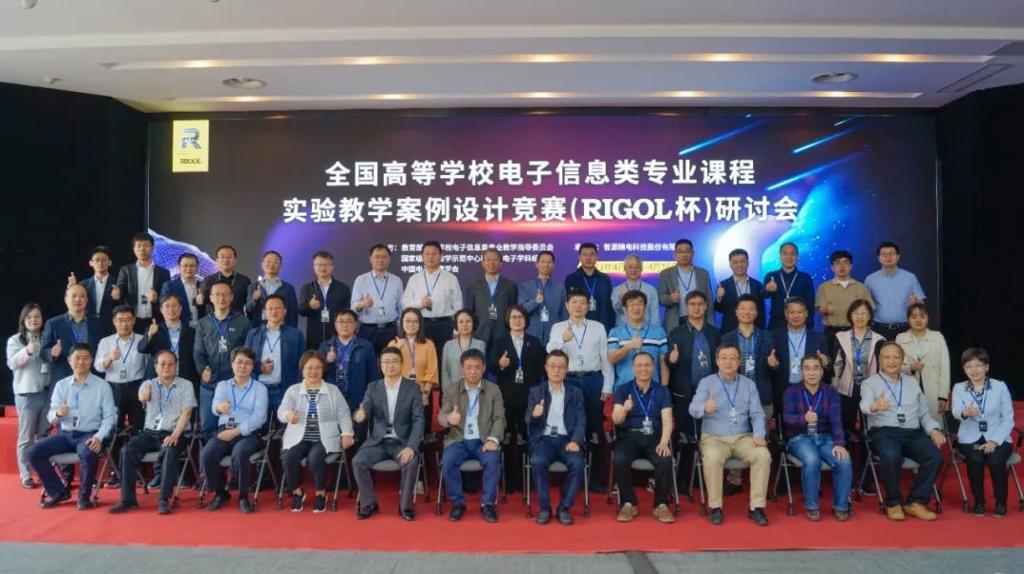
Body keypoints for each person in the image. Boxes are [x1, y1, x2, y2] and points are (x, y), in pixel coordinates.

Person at [859, 342, 944, 521]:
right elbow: (864, 405)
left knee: (935, 457)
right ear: (880, 361)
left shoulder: (912, 382)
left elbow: (924, 414)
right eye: (886, 357)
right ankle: (893, 502)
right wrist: (875, 406)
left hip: (912, 432)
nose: (891, 361)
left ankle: (916, 502)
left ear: (902, 360)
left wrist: (934, 430)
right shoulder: (870, 383)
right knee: (891, 456)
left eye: (896, 357)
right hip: (884, 432)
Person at [689, 344, 772, 526]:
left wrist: (759, 434)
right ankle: (716, 507)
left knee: (763, 455)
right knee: (712, 457)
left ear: (738, 361)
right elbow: (693, 409)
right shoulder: (707, 383)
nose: (728, 362)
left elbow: (757, 414)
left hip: (743, 437)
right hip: (714, 438)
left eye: (733, 358)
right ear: (717, 361)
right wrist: (704, 407)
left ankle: (756, 507)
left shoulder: (749, 385)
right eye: (724, 358)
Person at [29, 343, 116, 510]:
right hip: (65, 434)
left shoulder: (102, 386)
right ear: (69, 360)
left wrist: (99, 437)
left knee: (88, 451)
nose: (81, 362)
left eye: (85, 358)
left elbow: (110, 417)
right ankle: (58, 492)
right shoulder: (61, 385)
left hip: (90, 434)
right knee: (33, 452)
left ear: (91, 360)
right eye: (77, 358)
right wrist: (58, 414)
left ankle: (84, 497)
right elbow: (51, 416)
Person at [108, 350, 195, 515]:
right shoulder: (148, 384)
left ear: (176, 366)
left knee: (169, 451)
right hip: (150, 433)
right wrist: (143, 395)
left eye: (171, 364)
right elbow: (141, 396)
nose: (167, 367)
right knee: (127, 451)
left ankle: (164, 499)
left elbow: (187, 412)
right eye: (163, 364)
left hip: (175, 432)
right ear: (155, 367)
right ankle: (127, 500)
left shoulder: (186, 385)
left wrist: (175, 435)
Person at [546, 290, 614, 493]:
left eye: (582, 302)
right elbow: (550, 352)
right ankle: (570, 477)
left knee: (595, 429)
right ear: (567, 305)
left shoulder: (598, 327)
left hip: (593, 380)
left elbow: (605, 358)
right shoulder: (558, 327)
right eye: (574, 302)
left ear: (588, 305)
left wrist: (607, 385)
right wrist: (563, 340)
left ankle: (596, 479)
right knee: (569, 427)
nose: (578, 306)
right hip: (568, 380)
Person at [351, 346, 424, 521]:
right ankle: (369, 504)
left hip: (402, 442)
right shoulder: (373, 387)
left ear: (402, 363)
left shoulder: (412, 388)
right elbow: (364, 409)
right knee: (358, 461)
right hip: (378, 442)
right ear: (380, 365)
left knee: (411, 462)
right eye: (386, 362)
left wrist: (411, 446)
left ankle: (405, 506)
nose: (390, 366)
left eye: (394, 361)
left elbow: (419, 420)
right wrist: (359, 415)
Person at [278, 351, 354, 513]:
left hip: (323, 437)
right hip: (298, 437)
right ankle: (297, 491)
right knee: (288, 457)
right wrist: (288, 415)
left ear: (323, 369)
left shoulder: (333, 390)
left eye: (317, 368)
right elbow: (282, 410)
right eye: (309, 368)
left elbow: (344, 413)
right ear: (302, 370)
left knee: (315, 458)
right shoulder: (293, 390)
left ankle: (321, 493)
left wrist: (347, 432)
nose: (313, 372)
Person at [136, 293, 198, 490]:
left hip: (183, 383)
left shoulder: (190, 331)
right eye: (167, 306)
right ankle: (159, 474)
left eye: (174, 306)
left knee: (180, 428)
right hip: (159, 383)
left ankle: (182, 474)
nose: (171, 310)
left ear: (181, 309)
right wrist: (150, 335)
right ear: (161, 310)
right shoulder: (155, 329)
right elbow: (142, 348)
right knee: (159, 428)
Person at [438, 349, 506, 522]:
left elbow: (499, 418)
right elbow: (442, 414)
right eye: (468, 367)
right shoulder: (452, 389)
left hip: (483, 440)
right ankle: (458, 503)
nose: (473, 371)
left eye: (477, 367)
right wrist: (449, 418)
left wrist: (493, 439)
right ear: (461, 369)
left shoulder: (493, 390)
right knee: (448, 461)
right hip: (458, 439)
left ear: (483, 368)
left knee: (493, 461)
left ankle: (488, 504)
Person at [781, 355, 852, 521]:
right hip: (800, 438)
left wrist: (839, 443)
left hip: (825, 437)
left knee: (844, 460)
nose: (811, 372)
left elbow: (836, 420)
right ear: (801, 371)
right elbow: (787, 418)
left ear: (822, 371)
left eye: (815, 368)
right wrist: (803, 418)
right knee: (812, 460)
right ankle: (812, 506)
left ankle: (841, 506)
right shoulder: (791, 392)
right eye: (807, 368)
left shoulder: (830, 392)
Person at [200, 346, 268, 514]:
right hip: (224, 431)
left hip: (248, 434)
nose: (242, 366)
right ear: (232, 364)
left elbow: (259, 417)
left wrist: (236, 431)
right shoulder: (223, 386)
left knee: (240, 452)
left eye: (247, 363)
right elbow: (215, 407)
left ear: (252, 366)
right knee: (207, 454)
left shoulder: (260, 388)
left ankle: (243, 496)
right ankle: (220, 493)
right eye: (239, 362)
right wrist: (219, 408)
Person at [610, 352, 676, 523]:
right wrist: (625, 409)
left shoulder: (662, 391)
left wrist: (664, 442)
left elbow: (667, 419)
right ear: (633, 368)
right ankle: (628, 503)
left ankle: (661, 504)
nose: (643, 369)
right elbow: (616, 419)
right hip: (629, 436)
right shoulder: (623, 390)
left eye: (647, 365)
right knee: (619, 458)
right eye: (639, 365)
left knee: (665, 458)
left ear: (653, 368)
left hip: (654, 437)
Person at [951, 348, 1015, 517]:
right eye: (969, 366)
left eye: (978, 365)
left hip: (998, 437)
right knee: (975, 459)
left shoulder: (1000, 386)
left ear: (986, 367)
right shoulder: (959, 388)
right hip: (969, 437)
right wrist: (965, 413)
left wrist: (995, 441)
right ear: (964, 369)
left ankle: (1001, 502)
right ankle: (979, 501)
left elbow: (1008, 418)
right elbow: (956, 412)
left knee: (995, 461)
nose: (974, 370)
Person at [524, 350, 586, 525]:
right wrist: (535, 415)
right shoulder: (536, 392)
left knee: (578, 463)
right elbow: (527, 419)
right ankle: (544, 508)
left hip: (568, 439)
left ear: (567, 369)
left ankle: (564, 507)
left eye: (561, 367)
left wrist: (576, 440)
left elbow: (581, 419)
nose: (556, 370)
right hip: (544, 440)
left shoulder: (576, 392)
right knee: (538, 462)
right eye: (552, 366)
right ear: (546, 368)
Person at [487, 304, 545, 492]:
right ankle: (507, 482)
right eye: (513, 317)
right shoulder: (500, 340)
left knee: (528, 439)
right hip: (507, 398)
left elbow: (540, 371)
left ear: (526, 320)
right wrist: (500, 364)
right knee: (507, 440)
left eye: (520, 317)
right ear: (508, 320)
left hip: (529, 398)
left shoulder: (534, 342)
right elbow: (492, 367)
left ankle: (528, 481)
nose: (517, 320)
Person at [665, 291, 720, 482]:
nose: (696, 308)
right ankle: (683, 480)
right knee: (685, 438)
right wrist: (671, 359)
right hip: (685, 394)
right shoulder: (676, 333)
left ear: (705, 307)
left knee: (709, 437)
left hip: (710, 395)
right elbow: (668, 361)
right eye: (692, 304)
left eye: (700, 304)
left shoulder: (714, 333)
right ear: (686, 307)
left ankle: (704, 479)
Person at [94, 305, 150, 486]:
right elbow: (97, 367)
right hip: (113, 388)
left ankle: (138, 470)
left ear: (133, 321)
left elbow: (149, 366)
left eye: (127, 320)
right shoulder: (106, 342)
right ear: (114, 322)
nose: (124, 324)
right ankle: (115, 471)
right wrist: (109, 358)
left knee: (139, 428)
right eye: (120, 320)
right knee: (114, 430)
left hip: (137, 387)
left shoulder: (142, 340)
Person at [194, 281, 252, 436]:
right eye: (217, 295)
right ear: (211, 298)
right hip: (210, 384)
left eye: (225, 295)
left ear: (231, 297)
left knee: (233, 428)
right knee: (207, 429)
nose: (221, 298)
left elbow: (248, 352)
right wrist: (202, 369)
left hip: (235, 384)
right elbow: (198, 351)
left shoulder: (243, 322)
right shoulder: (203, 323)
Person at [6, 303, 51, 489]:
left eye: (37, 316)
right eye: (29, 317)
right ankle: (26, 474)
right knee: (26, 437)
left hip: (46, 393)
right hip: (27, 395)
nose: (33, 320)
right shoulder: (15, 340)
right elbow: (12, 363)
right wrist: (27, 351)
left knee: (43, 435)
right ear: (23, 320)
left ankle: (42, 471)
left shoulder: (47, 337)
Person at [402, 240, 463, 366]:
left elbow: (458, 306)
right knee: (422, 360)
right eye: (427, 254)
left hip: (445, 325)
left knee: (444, 360)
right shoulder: (414, 279)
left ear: (441, 256)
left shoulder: (451, 278)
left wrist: (456, 330)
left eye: (434, 254)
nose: (430, 257)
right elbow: (405, 303)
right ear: (422, 256)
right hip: (421, 325)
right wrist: (420, 304)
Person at [832, 299, 885, 435]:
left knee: (868, 428)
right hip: (847, 388)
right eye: (856, 313)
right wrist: (835, 387)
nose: (860, 317)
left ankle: (867, 447)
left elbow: (882, 367)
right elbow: (837, 365)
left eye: (863, 313)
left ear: (869, 316)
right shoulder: (841, 337)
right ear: (850, 315)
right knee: (847, 426)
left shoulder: (879, 340)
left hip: (871, 388)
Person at [245, 294, 305, 410]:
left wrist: (298, 389)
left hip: (285, 390)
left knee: (284, 421)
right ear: (265, 312)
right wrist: (259, 368)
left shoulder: (296, 335)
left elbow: (302, 365)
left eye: (278, 308)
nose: (274, 311)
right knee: (259, 421)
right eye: (270, 308)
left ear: (285, 311)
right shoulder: (253, 334)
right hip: (258, 389)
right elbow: (245, 361)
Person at [768, 297, 828, 412]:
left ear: (806, 314)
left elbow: (827, 366)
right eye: (792, 312)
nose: (796, 316)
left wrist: (826, 362)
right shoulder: (774, 336)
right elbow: (769, 368)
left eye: (800, 312)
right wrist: (774, 365)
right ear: (786, 314)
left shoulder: (819, 338)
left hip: (810, 391)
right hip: (783, 390)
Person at [319, 310, 380, 417]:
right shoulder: (325, 346)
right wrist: (327, 361)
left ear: (355, 324)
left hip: (357, 401)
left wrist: (368, 402)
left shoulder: (366, 346)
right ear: (335, 324)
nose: (345, 325)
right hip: (331, 400)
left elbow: (373, 377)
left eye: (349, 321)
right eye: (341, 321)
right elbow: (316, 374)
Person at [389, 308, 439, 439]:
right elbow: (389, 369)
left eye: (415, 321)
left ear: (420, 324)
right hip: (400, 393)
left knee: (422, 433)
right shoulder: (394, 343)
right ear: (402, 323)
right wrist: (397, 349)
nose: (411, 325)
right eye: (407, 321)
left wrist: (425, 394)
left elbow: (432, 371)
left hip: (422, 391)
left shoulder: (428, 344)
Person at [895, 303, 951, 420]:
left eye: (922, 316)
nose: (918, 320)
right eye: (914, 317)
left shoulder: (938, 337)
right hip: (907, 390)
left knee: (934, 425)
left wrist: (943, 396)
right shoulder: (901, 338)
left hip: (933, 391)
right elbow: (896, 366)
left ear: (928, 318)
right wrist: (911, 368)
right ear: (908, 319)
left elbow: (945, 368)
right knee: (910, 423)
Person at [815, 250, 874, 359]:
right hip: (832, 333)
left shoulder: (860, 287)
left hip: (856, 332)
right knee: (832, 364)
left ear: (851, 266)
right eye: (837, 263)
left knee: (855, 364)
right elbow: (819, 309)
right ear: (832, 267)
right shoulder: (824, 287)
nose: (842, 266)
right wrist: (825, 309)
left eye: (845, 262)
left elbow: (870, 310)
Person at [41, 284, 103, 385]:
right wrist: (52, 353)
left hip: (92, 380)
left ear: (87, 300)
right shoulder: (54, 323)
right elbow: (43, 353)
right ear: (66, 300)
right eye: (74, 296)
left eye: (82, 296)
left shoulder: (97, 323)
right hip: (64, 380)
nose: (78, 299)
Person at [864, 242, 926, 342]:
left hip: (905, 328)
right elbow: (864, 305)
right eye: (884, 254)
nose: (888, 257)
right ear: (879, 258)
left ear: (898, 257)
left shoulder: (910, 277)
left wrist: (915, 302)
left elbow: (921, 304)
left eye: (891, 253)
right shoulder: (870, 279)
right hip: (879, 329)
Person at [608, 291, 668, 389]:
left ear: (645, 307)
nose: (636, 308)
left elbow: (663, 362)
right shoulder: (615, 332)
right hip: (623, 389)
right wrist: (628, 347)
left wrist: (664, 388)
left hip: (652, 389)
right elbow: (611, 359)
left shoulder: (659, 331)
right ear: (625, 309)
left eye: (639, 303)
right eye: (631, 304)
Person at [351, 244, 404, 354]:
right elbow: (353, 308)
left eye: (384, 257)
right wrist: (362, 304)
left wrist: (401, 330)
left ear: (389, 259)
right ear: (370, 259)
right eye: (377, 257)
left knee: (390, 360)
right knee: (367, 361)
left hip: (390, 329)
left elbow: (400, 307)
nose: (380, 260)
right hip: (368, 330)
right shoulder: (361, 280)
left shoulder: (396, 281)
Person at [114, 232, 171, 334]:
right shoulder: (126, 270)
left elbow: (167, 298)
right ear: (134, 249)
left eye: (146, 245)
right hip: (132, 322)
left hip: (155, 321)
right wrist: (117, 295)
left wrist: (156, 298)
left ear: (152, 248)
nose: (142, 249)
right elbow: (120, 292)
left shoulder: (163, 273)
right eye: (139, 246)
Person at [463, 248, 518, 348]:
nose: (491, 263)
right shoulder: (473, 286)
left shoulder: (510, 286)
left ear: (501, 263)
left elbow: (513, 311)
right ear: (482, 263)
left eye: (495, 260)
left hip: (503, 334)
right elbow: (469, 312)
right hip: (479, 334)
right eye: (488, 260)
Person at [298, 250, 352, 351]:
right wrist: (309, 306)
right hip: (314, 337)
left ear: (332, 266)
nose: (322, 268)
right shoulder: (307, 288)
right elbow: (301, 311)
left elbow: (348, 312)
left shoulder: (343, 288)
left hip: (337, 336)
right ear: (314, 267)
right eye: (319, 265)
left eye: (326, 264)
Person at [657, 239, 713, 331]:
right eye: (680, 252)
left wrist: (711, 325)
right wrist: (670, 298)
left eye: (687, 251)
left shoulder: (703, 274)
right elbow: (661, 299)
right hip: (675, 321)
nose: (684, 255)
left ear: (693, 253)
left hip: (699, 321)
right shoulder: (666, 274)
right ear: (675, 254)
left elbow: (709, 301)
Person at [763, 243, 816, 331]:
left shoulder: (805, 277)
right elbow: (762, 296)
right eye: (785, 253)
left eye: (792, 254)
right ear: (780, 256)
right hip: (776, 324)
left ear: (797, 257)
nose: (789, 257)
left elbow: (810, 303)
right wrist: (767, 289)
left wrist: (808, 325)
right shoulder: (771, 276)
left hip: (799, 323)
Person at [518, 250, 567, 345]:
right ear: (536, 264)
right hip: (531, 335)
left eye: (549, 262)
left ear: (553, 265)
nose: (546, 265)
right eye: (543, 261)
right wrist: (535, 302)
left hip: (554, 336)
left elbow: (564, 314)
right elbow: (521, 310)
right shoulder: (526, 286)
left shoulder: (559, 287)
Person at [563, 243, 615, 332]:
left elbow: (609, 306)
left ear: (597, 257)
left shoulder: (605, 279)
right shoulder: (571, 279)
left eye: (591, 254)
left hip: (602, 326)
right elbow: (568, 305)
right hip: (578, 326)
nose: (588, 258)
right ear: (579, 258)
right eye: (585, 255)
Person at [714, 248, 766, 334]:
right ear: (730, 264)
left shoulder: (757, 285)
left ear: (748, 263)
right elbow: (720, 310)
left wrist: (762, 332)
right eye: (735, 262)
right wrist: (719, 298)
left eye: (742, 261)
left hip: (753, 331)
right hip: (730, 331)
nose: (739, 265)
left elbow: (761, 312)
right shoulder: (723, 285)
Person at [244, 250, 299, 329]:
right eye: (268, 261)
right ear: (262, 264)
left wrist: (292, 332)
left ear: (280, 266)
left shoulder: (288, 288)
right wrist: (254, 300)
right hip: (259, 328)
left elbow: (293, 313)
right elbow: (248, 309)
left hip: (281, 329)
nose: (272, 264)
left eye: (276, 262)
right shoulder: (253, 287)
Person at [73, 246, 116, 337]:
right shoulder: (83, 284)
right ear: (91, 263)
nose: (100, 263)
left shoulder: (117, 283)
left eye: (104, 260)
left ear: (110, 262)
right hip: (88, 325)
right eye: (97, 260)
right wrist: (71, 287)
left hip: (110, 327)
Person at [200, 244, 252, 316]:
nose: (225, 260)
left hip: (237, 320)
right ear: (217, 260)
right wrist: (198, 300)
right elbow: (201, 303)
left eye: (229, 257)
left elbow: (249, 305)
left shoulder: (244, 281)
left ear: (235, 260)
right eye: (222, 257)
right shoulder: (207, 280)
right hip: (213, 320)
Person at [610, 255, 659, 328]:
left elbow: (655, 315)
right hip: (623, 331)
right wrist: (621, 299)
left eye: (636, 267)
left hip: (646, 331)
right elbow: (617, 311)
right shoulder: (617, 290)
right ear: (624, 269)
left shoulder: (651, 290)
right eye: (630, 267)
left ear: (641, 269)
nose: (633, 270)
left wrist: (653, 331)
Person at [441, 309, 485, 388]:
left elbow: (480, 370)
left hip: (473, 389)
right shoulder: (448, 345)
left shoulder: (480, 345)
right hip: (452, 390)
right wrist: (448, 392)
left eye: (468, 321)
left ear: (473, 323)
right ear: (456, 324)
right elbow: (445, 372)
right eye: (461, 322)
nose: (464, 325)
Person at [160, 252, 204, 328]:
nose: (189, 269)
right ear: (179, 267)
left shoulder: (203, 285)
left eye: (192, 266)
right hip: (179, 328)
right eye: (185, 265)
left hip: (201, 328)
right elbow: (164, 308)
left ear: (197, 267)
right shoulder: (170, 286)